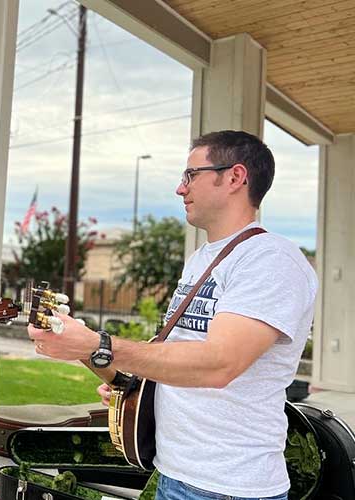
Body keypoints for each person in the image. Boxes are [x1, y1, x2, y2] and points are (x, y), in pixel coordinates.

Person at [29, 130, 317, 500]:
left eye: (190, 175)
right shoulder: (201, 260)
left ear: (234, 177)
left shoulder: (271, 260)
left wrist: (100, 342)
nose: (180, 189)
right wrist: (86, 349)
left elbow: (218, 364)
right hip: (174, 473)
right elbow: (175, 359)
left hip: (230, 487)